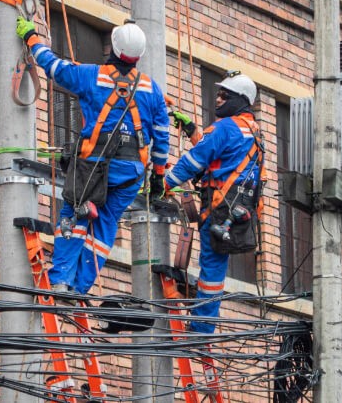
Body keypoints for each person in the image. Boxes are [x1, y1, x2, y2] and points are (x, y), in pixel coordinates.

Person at [15, 17, 171, 296]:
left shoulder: (92, 76)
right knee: (105, 226)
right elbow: (161, 138)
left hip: (93, 167)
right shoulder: (152, 89)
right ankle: (81, 286)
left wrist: (31, 38)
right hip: (131, 172)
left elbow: (53, 66)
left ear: (113, 46)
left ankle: (61, 279)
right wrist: (159, 176)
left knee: (74, 217)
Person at [162, 71, 265, 334]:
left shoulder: (225, 127)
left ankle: (202, 327)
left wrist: (163, 183)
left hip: (219, 210)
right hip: (236, 212)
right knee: (214, 268)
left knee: (211, 267)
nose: (217, 99)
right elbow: (221, 157)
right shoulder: (252, 132)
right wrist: (193, 131)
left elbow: (195, 161)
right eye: (218, 94)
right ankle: (204, 324)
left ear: (241, 100)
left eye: (224, 96)